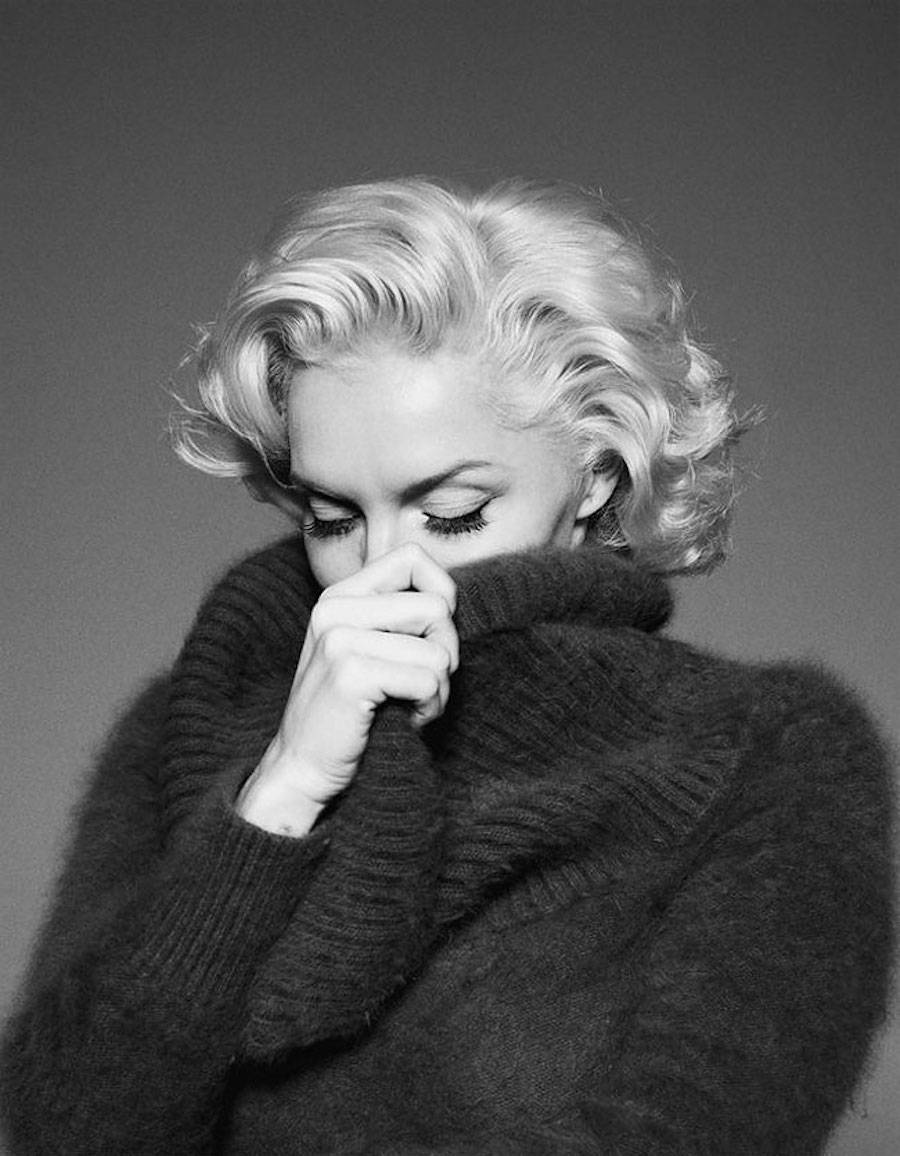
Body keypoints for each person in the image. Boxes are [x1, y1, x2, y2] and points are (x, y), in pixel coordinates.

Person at [0, 178, 893, 1156]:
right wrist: (280, 795)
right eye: (332, 518)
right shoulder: (191, 728)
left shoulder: (766, 756)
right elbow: (65, 1132)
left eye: (453, 513)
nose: (383, 569)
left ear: (597, 472)